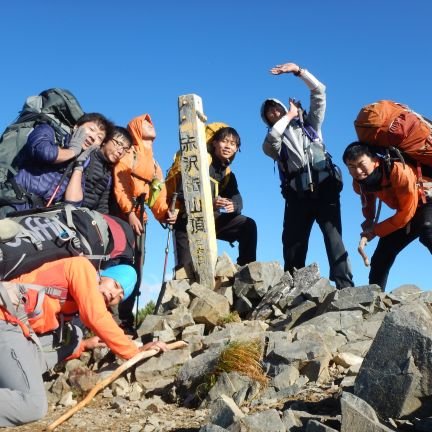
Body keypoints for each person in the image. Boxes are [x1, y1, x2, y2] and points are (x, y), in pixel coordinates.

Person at [0, 256, 167, 426]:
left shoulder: (74, 305)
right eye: (116, 285)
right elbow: (95, 317)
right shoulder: (83, 267)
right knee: (33, 405)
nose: (114, 294)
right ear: (104, 274)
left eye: (120, 296)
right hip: (5, 320)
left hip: (16, 331)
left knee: (75, 336)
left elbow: (87, 325)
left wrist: (84, 345)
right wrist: (134, 352)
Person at [260, 61, 353, 289]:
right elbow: (272, 139)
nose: (274, 111)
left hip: (325, 188)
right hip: (297, 194)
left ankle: (344, 285)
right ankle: (292, 288)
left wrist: (299, 71)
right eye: (269, 112)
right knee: (293, 243)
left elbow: (319, 91)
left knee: (334, 238)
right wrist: (289, 114)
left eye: (277, 108)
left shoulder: (310, 125)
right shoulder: (273, 140)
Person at [112, 114, 177, 331]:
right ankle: (112, 320)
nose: (152, 124)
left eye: (152, 122)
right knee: (119, 265)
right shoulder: (128, 154)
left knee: (137, 268)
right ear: (137, 128)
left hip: (140, 219)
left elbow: (157, 196)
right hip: (120, 218)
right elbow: (120, 186)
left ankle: (125, 320)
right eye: (146, 122)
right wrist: (129, 211)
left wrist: (166, 214)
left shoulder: (155, 164)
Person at [342, 142, 432, 290]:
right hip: (410, 210)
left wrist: (375, 231)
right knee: (382, 255)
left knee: (428, 230)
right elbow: (367, 200)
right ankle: (374, 301)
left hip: (427, 200)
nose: (357, 171)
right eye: (351, 167)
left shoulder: (399, 171)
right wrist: (369, 220)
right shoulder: (360, 182)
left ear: (375, 160)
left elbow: (405, 215)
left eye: (361, 164)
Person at [172, 123, 257, 270]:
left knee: (248, 225)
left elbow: (238, 201)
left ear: (236, 149)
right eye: (224, 141)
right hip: (187, 222)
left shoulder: (228, 174)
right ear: (214, 143)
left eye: (233, 144)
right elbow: (181, 194)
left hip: (212, 220)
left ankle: (246, 272)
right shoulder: (197, 163)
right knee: (184, 273)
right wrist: (210, 203)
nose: (228, 146)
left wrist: (233, 205)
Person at [0, 113, 115, 217]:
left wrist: (79, 165)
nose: (93, 137)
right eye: (91, 129)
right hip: (13, 202)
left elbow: (73, 202)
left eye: (99, 137)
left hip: (37, 218)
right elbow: (43, 152)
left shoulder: (83, 161)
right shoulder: (49, 131)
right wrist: (73, 151)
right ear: (76, 126)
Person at [64, 126, 133, 213]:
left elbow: (103, 205)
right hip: (66, 209)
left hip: (85, 217)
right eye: (118, 144)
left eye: (125, 149)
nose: (120, 151)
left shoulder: (110, 174)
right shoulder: (86, 156)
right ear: (105, 141)